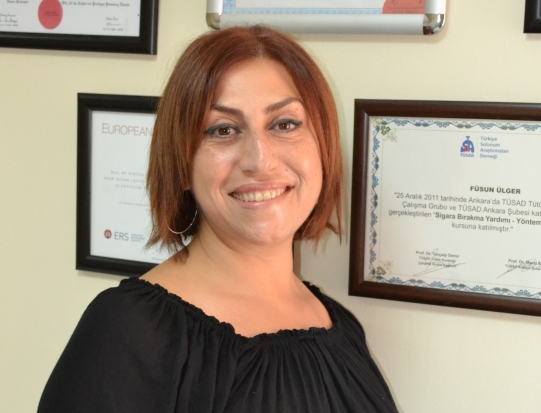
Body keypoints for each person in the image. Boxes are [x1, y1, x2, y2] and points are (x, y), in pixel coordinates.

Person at [38, 26, 398, 413]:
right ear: (182, 162)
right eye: (223, 130)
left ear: (322, 146)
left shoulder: (339, 326)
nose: (260, 161)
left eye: (284, 124)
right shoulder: (129, 331)